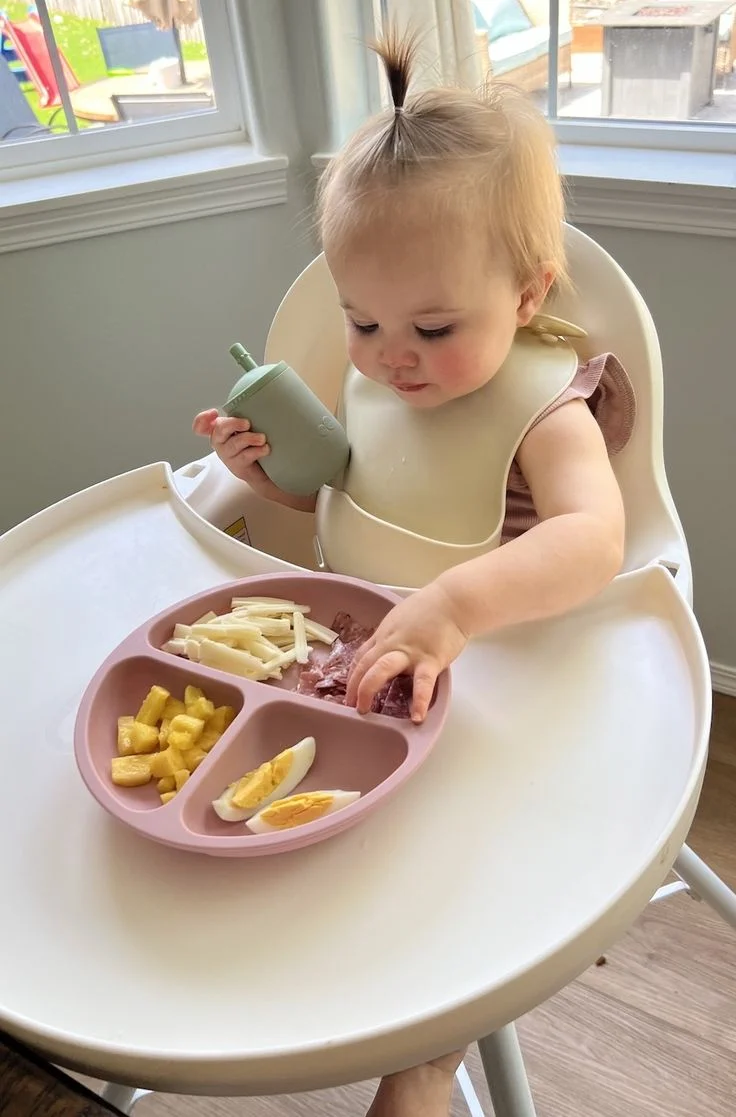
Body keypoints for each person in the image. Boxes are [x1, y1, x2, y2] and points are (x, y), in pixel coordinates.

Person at [194, 27, 634, 1116]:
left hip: (498, 671)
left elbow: (594, 538)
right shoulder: (387, 376)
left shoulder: (545, 403)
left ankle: (432, 1048)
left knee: (445, 881)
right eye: (360, 319)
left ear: (528, 297)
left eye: (433, 326)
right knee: (288, 865)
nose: (391, 354)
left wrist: (454, 605)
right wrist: (274, 479)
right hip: (351, 662)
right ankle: (291, 975)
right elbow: (363, 502)